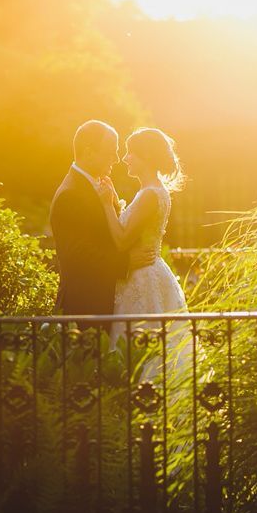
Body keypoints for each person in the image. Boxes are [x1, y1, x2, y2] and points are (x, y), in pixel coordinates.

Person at [94, 127, 188, 376]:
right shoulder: (154, 191)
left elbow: (122, 240)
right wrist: (115, 202)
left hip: (143, 278)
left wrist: (105, 205)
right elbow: (130, 227)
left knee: (142, 349)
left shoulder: (149, 195)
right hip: (147, 271)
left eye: (130, 153)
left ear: (144, 156)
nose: (125, 158)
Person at [49, 120, 157, 324]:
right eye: (111, 152)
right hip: (85, 308)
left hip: (103, 303)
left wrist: (114, 207)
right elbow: (76, 256)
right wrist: (125, 262)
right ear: (89, 152)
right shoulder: (70, 195)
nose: (116, 159)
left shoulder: (95, 185)